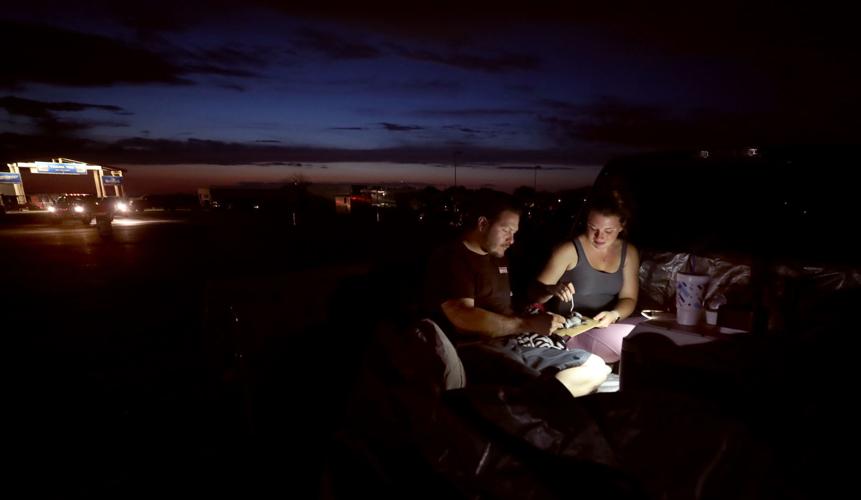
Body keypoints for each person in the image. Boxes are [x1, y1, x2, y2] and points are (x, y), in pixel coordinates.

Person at [424, 190, 610, 397]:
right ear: (483, 224)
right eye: (506, 230)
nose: (511, 240)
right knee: (551, 381)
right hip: (479, 351)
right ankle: (533, 402)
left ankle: (540, 399)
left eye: (514, 233)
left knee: (597, 367)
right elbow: (461, 316)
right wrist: (526, 324)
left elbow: (519, 298)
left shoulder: (497, 257)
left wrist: (549, 290)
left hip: (513, 342)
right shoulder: (453, 258)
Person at [531, 190, 641, 364]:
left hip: (606, 325)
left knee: (651, 329)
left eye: (609, 231)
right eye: (593, 228)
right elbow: (533, 295)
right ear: (586, 223)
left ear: (622, 226)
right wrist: (551, 289)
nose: (600, 237)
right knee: (632, 343)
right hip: (572, 332)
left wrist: (614, 314)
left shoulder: (629, 253)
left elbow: (629, 297)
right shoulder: (568, 251)